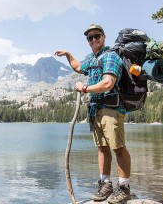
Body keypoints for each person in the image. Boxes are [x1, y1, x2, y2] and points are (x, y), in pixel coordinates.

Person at [54, 24, 132, 203]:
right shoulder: (92, 58)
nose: (93, 39)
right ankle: (105, 185)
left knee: (118, 148)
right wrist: (68, 54)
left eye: (96, 36)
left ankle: (124, 188)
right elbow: (79, 67)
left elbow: (108, 83)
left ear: (104, 36)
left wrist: (85, 88)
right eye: (89, 38)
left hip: (111, 109)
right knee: (102, 148)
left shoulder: (110, 56)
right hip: (96, 110)